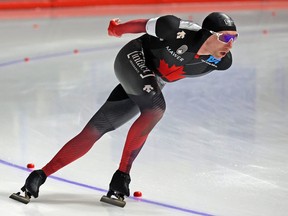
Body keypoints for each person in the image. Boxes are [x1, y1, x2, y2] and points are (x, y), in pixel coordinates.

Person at [13, 12, 238, 205]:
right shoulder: (176, 29)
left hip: (151, 82)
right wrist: (117, 29)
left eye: (234, 38)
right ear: (208, 33)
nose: (229, 45)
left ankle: (39, 176)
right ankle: (122, 176)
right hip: (133, 57)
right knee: (156, 108)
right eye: (225, 37)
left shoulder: (221, 62)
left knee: (96, 128)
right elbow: (143, 25)